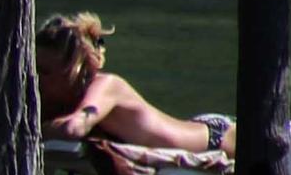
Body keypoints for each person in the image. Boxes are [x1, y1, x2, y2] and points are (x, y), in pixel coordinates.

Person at [36, 13, 228, 163]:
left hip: (215, 139)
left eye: (44, 72)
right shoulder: (67, 99)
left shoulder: (107, 86)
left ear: (74, 71)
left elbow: (73, 128)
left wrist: (30, 130)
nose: (37, 80)